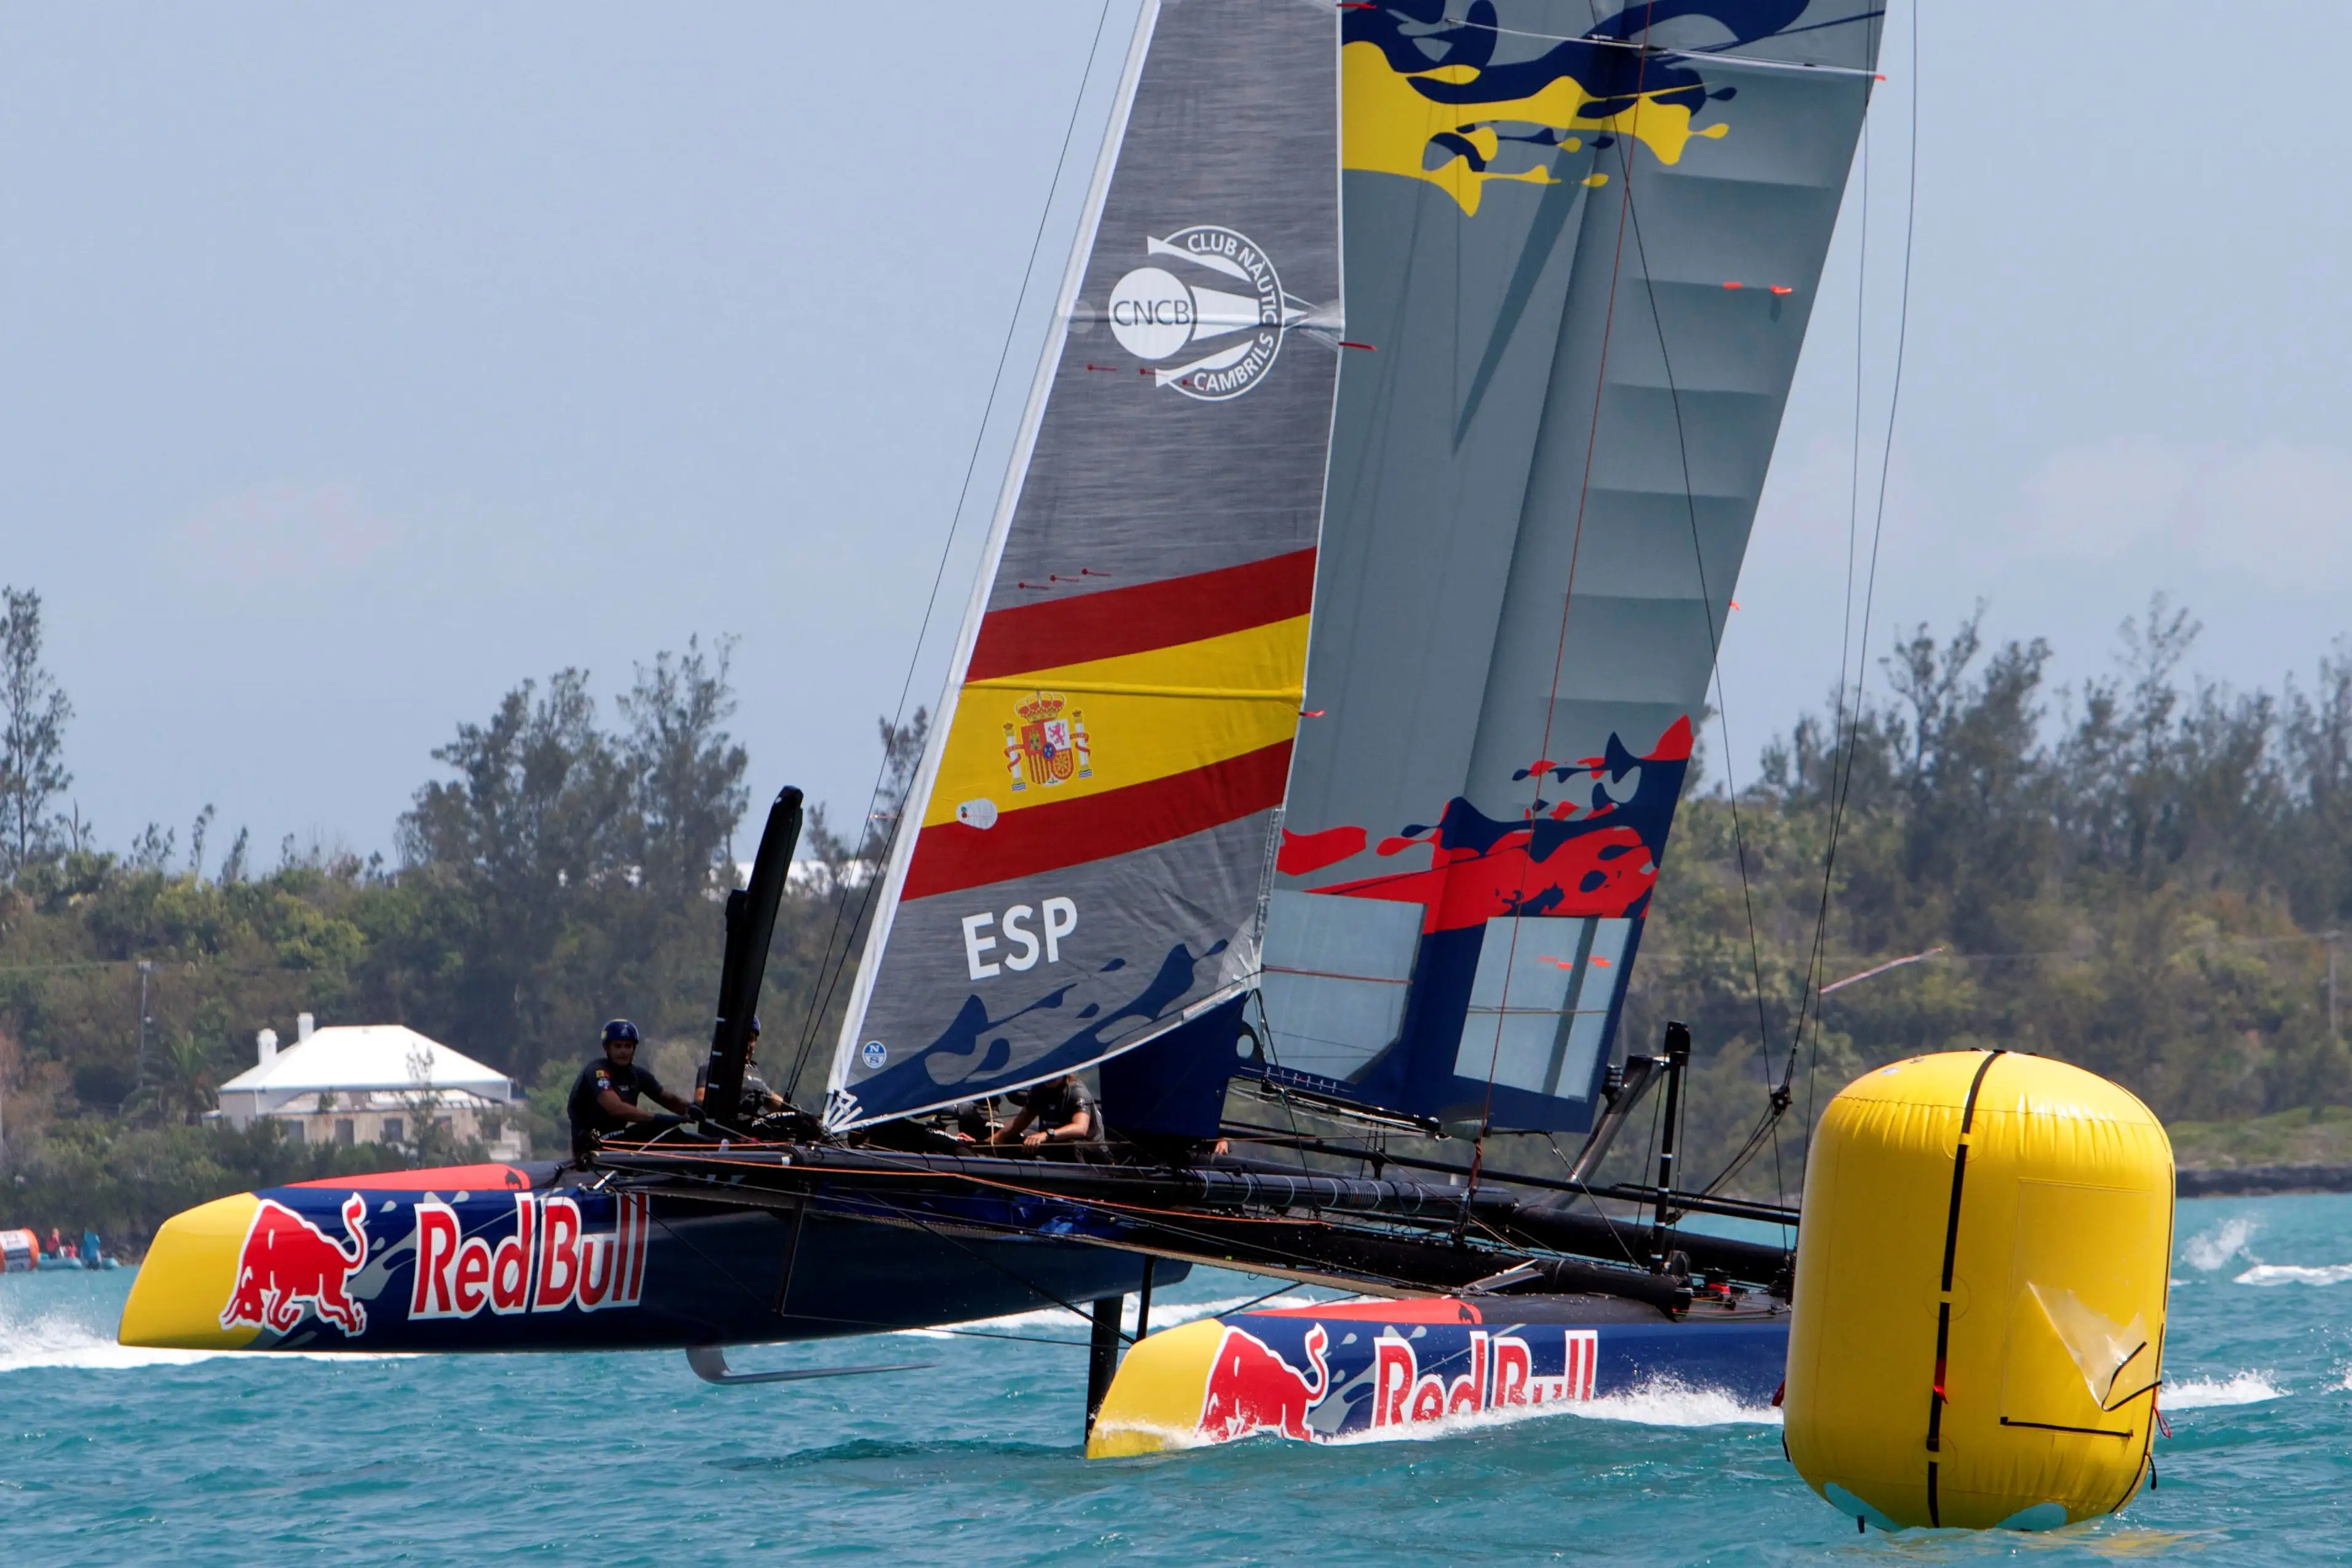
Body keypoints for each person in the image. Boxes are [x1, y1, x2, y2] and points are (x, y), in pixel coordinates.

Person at [566, 1020, 695, 1159]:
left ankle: (716, 1147)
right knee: (655, 1128)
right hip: (591, 1144)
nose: (623, 1051)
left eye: (628, 1046)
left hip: (619, 1140)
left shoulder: (638, 1075)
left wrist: (691, 1109)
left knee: (673, 1133)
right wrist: (658, 1119)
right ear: (608, 1049)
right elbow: (616, 1108)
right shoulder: (598, 1071)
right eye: (618, 1046)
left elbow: (668, 1100)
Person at [692, 1016, 790, 1122]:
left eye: (751, 1040)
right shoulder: (711, 1067)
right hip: (724, 1131)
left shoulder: (754, 1071)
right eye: (743, 1040)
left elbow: (770, 1099)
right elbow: (700, 1101)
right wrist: (735, 1106)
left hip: (753, 1132)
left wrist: (795, 1113)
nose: (747, 1046)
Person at [992, 1074, 1103, 1154]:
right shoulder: (1039, 1090)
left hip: (1089, 1150)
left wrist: (1046, 1135)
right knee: (1016, 1139)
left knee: (1073, 1146)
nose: (1051, 1076)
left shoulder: (1077, 1091)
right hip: (1055, 1144)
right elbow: (1018, 1124)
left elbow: (1080, 1128)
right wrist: (991, 1140)